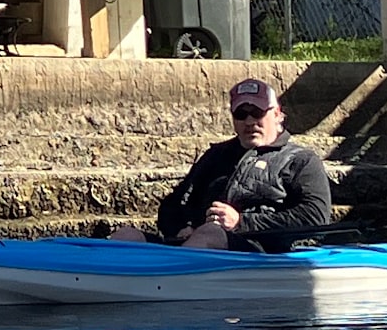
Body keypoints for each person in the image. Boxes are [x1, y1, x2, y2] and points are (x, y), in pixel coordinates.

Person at [142, 76, 333, 253]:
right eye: (241, 114)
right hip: (199, 246)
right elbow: (174, 204)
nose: (249, 121)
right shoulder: (216, 155)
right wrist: (180, 227)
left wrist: (242, 222)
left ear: (276, 113)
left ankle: (174, 279)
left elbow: (315, 216)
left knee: (210, 234)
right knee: (126, 236)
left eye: (257, 112)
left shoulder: (302, 160)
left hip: (260, 251)